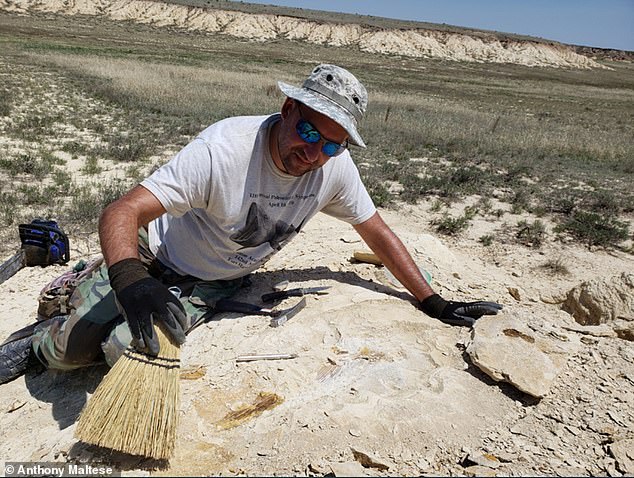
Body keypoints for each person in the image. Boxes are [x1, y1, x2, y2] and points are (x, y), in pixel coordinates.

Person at [1, 64, 501, 380]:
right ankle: (43, 340)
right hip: (155, 254)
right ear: (287, 109)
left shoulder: (333, 170)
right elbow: (121, 210)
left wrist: (432, 301)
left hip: (210, 283)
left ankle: (85, 310)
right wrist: (130, 280)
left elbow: (376, 232)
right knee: (70, 352)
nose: (315, 152)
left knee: (126, 349)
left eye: (332, 143)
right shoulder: (225, 150)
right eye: (309, 131)